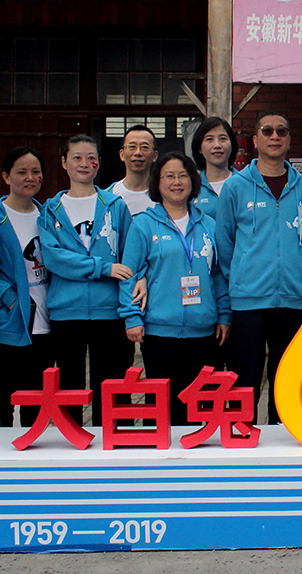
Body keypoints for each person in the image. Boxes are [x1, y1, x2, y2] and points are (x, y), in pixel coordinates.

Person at [217, 112, 302, 425]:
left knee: (285, 378)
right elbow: (224, 242)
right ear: (256, 140)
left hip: (290, 298)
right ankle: (240, 433)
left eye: (281, 131)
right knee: (245, 377)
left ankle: (282, 436)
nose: (275, 137)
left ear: (289, 140)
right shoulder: (235, 187)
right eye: (267, 131)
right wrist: (242, 276)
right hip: (248, 299)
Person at [120, 153, 230, 426]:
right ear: (157, 183)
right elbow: (129, 273)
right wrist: (132, 317)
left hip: (203, 330)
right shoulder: (143, 224)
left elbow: (218, 275)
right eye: (169, 176)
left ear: (193, 181)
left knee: (199, 405)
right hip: (159, 331)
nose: (177, 182)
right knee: (161, 407)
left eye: (183, 175)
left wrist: (224, 315)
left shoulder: (209, 225)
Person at [39, 134, 134, 426]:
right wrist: (103, 268)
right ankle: (72, 441)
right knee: (69, 387)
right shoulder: (51, 210)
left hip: (110, 312)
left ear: (99, 163)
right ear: (64, 162)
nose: (84, 163)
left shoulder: (115, 206)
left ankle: (115, 442)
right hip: (67, 312)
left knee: (113, 385)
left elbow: (129, 259)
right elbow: (54, 258)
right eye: (77, 157)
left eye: (91, 158)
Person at [0, 146, 55, 427]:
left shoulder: (48, 216)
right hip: (12, 319)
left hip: (47, 318)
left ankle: (34, 446)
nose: (30, 178)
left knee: (38, 399)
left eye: (36, 171)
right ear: (6, 177)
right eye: (21, 172)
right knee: (4, 399)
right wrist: (9, 298)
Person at [191, 116, 239, 223]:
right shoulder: (191, 186)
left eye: (223, 139)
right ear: (199, 148)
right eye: (209, 139)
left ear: (232, 145)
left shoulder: (245, 183)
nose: (217, 145)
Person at [110, 124, 159, 215]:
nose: (138, 153)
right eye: (132, 146)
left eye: (144, 147)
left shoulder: (165, 195)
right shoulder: (108, 196)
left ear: (155, 156)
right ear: (122, 154)